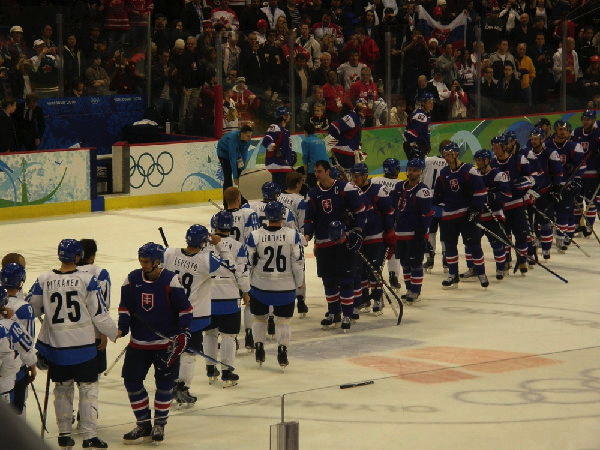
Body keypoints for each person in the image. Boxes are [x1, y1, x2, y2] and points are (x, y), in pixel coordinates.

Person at [29, 239, 118, 449]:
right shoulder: (87, 280)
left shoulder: (43, 280)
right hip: (84, 348)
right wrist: (115, 332)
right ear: (78, 257)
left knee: (62, 388)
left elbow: (33, 309)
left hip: (57, 348)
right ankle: (88, 436)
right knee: (88, 389)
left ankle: (64, 435)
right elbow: (99, 314)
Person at [118, 243, 192, 443]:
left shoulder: (171, 280)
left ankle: (159, 424)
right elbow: (125, 306)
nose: (142, 264)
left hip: (164, 346)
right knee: (132, 382)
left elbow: (185, 309)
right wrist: (123, 327)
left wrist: (183, 332)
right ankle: (143, 424)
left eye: (146, 261)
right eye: (141, 260)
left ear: (157, 262)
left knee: (165, 385)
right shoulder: (132, 279)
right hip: (138, 344)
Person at [162, 226, 232, 402]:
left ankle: (168, 385)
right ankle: (182, 388)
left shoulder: (170, 253)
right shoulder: (206, 260)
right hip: (194, 315)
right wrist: (220, 245)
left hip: (171, 312)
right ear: (204, 242)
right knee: (189, 354)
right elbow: (229, 266)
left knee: (172, 349)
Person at [304, 160, 366, 331]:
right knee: (329, 281)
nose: (317, 174)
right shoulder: (313, 193)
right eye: (315, 171)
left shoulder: (345, 188)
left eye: (319, 171)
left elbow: (360, 212)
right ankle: (333, 312)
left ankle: (347, 314)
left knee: (346, 280)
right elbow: (309, 218)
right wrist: (308, 234)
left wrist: (357, 232)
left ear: (328, 171)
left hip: (342, 243)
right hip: (323, 244)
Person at [245, 201, 304, 367]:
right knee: (283, 321)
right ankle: (282, 351)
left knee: (259, 318)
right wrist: (298, 282)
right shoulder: (293, 235)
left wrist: (247, 284)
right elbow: (297, 262)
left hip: (259, 286)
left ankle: (259, 346)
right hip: (285, 287)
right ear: (282, 216)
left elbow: (248, 262)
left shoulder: (255, 235)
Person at [433, 142, 489, 289]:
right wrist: (436, 207)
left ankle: (481, 273)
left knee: (473, 244)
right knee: (450, 246)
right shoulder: (443, 172)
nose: (448, 157)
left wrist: (476, 209)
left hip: (466, 214)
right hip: (449, 216)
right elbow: (437, 195)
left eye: (450, 154)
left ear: (457, 154)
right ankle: (453, 275)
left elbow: (481, 191)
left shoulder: (470, 170)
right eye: (445, 155)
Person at [207, 211, 250, 386]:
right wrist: (246, 291)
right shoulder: (239, 246)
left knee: (209, 333)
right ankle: (227, 373)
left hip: (207, 295)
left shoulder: (203, 245)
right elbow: (242, 272)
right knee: (228, 336)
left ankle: (210, 369)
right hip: (229, 296)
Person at [349, 163, 394, 314]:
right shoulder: (352, 192)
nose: (354, 179)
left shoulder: (378, 190)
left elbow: (388, 212)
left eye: (357, 176)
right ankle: (365, 299)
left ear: (365, 176)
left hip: (376, 236)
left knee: (374, 270)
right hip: (359, 237)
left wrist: (389, 231)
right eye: (353, 176)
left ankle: (378, 299)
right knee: (360, 271)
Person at [389, 159, 433, 302]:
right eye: (410, 169)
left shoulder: (423, 191)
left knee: (415, 264)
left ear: (421, 172)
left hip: (415, 235)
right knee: (404, 263)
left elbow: (427, 215)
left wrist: (421, 233)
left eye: (415, 170)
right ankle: (409, 289)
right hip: (400, 234)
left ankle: (415, 291)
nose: (412, 172)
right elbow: (392, 207)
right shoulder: (399, 187)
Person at [222, 187, 260, 350]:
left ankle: (233, 336)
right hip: (244, 262)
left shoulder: (218, 217)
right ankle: (249, 334)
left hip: (225, 264)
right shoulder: (249, 214)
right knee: (248, 299)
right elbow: (254, 237)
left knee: (233, 299)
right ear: (239, 199)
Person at [490, 134, 534, 274]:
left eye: (497, 147)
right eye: (493, 147)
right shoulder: (491, 163)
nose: (494, 150)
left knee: (521, 235)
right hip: (501, 207)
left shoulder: (518, 159)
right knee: (504, 235)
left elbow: (532, 179)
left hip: (517, 204)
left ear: (504, 147)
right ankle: (506, 260)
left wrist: (520, 184)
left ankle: (522, 260)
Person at [545, 120, 586, 252]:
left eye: (564, 130)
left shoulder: (575, 146)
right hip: (552, 185)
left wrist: (575, 175)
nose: (562, 132)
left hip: (568, 184)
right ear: (555, 131)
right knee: (550, 212)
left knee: (565, 212)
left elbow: (582, 167)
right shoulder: (547, 145)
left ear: (569, 132)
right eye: (559, 129)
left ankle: (562, 238)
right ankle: (546, 237)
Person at [472, 149, 513, 280]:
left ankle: (501, 267)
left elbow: (507, 195)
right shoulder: (475, 174)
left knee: (496, 244)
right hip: (478, 215)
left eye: (480, 160)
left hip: (494, 214)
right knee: (472, 243)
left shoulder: (498, 174)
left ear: (487, 160)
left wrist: (491, 197)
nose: (478, 163)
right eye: (477, 160)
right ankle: (473, 268)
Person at [1, 263, 35, 415]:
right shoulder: (22, 309)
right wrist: (32, 364)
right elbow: (27, 342)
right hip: (13, 372)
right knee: (15, 413)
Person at [527, 127, 563, 259]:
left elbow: (558, 172)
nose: (533, 141)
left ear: (542, 139)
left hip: (545, 191)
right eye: (532, 139)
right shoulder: (527, 153)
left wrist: (557, 188)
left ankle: (546, 248)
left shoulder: (550, 153)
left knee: (545, 220)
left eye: (536, 139)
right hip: (531, 193)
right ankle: (535, 241)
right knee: (531, 221)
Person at [278, 173, 309, 317]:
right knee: (299, 271)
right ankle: (301, 301)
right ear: (297, 184)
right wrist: (305, 238)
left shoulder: (277, 197)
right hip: (294, 241)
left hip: (277, 240)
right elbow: (303, 224)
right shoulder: (300, 201)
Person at [371, 158, 403, 287]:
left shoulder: (374, 180)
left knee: (376, 249)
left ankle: (374, 276)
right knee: (393, 249)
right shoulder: (401, 183)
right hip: (394, 221)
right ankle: (393, 276)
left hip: (376, 221)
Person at [572, 109, 600, 237]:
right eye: (584, 119)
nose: (585, 121)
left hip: (593, 174)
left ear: (593, 120)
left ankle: (589, 226)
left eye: (588, 119)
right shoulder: (576, 132)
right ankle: (578, 225)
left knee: (591, 201)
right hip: (578, 173)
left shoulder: (597, 132)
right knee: (577, 201)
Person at [423, 141, 449, 271]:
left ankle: (430, 258)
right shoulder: (451, 163)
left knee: (430, 232)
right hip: (445, 202)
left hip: (429, 201)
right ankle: (446, 259)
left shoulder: (428, 160)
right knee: (445, 233)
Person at [328, 99, 368, 170]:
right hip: (344, 153)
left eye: (365, 110)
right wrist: (332, 143)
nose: (363, 112)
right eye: (362, 109)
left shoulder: (357, 118)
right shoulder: (351, 117)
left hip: (348, 153)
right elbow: (334, 127)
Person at [262, 107, 295, 189]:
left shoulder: (286, 131)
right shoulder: (275, 127)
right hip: (277, 164)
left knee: (282, 189)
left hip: (283, 165)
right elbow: (266, 140)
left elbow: (285, 147)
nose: (289, 116)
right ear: (284, 116)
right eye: (287, 114)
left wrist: (289, 158)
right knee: (280, 190)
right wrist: (271, 145)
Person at [216, 124, 254, 190]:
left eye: (251, 135)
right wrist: (235, 177)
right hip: (223, 154)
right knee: (228, 176)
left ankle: (241, 198)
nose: (250, 138)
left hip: (236, 153)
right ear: (242, 133)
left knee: (241, 175)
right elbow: (232, 158)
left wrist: (242, 169)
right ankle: (227, 199)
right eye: (248, 136)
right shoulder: (232, 138)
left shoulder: (248, 140)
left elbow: (244, 155)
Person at [404, 93, 433, 159]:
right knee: (416, 168)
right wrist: (414, 146)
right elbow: (411, 133)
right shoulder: (420, 115)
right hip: (416, 148)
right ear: (423, 103)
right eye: (429, 102)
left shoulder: (425, 114)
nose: (432, 104)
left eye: (432, 102)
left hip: (419, 147)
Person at [301, 122, 328, 187]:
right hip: (327, 168)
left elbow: (305, 158)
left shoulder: (305, 141)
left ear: (305, 131)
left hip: (314, 169)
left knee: (312, 189)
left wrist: (306, 174)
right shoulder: (321, 140)